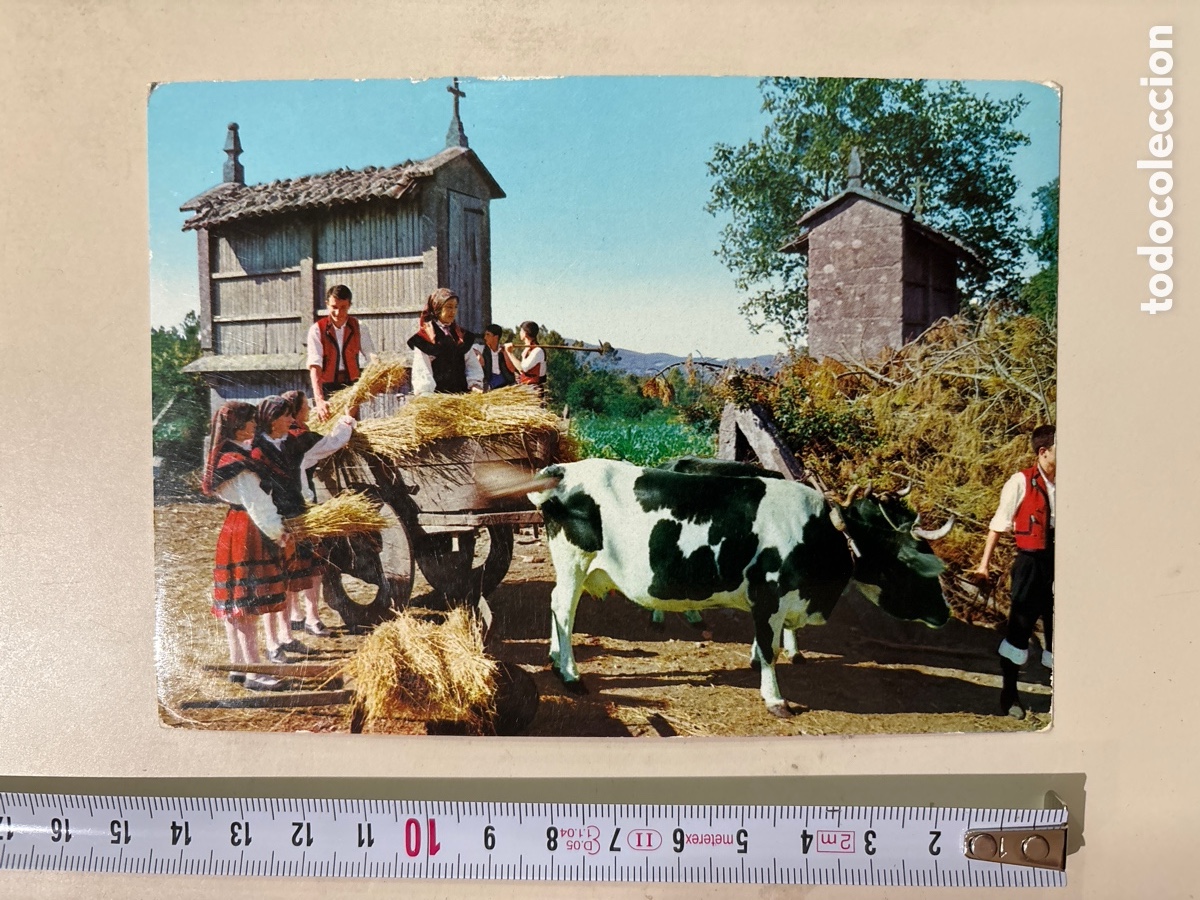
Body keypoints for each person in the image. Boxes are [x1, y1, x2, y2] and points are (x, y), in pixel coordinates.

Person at [252, 395, 356, 659]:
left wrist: (347, 420)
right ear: (273, 419)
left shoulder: (294, 442)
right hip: (268, 521)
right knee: (272, 582)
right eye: (286, 416)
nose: (292, 420)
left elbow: (330, 443)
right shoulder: (255, 448)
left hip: (294, 517)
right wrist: (270, 522)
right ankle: (273, 643)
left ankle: (287, 636)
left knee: (288, 580)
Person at [201, 401, 293, 692]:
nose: (255, 426)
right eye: (251, 422)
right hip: (249, 529)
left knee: (235, 605)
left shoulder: (226, 456)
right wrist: (280, 533)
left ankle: (237, 665)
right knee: (246, 607)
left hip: (234, 526)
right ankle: (255, 672)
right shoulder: (237, 462)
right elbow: (259, 505)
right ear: (238, 426)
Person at [974, 424, 1056, 720]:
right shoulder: (1020, 481)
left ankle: (1059, 700)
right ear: (1043, 452)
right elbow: (998, 524)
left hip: (1062, 564)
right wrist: (984, 565)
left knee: (1061, 632)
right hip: (1030, 565)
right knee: (1019, 630)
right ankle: (1009, 694)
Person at [307, 284, 377, 422]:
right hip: (327, 387)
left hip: (352, 385)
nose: (338, 313)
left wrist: (376, 375)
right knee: (328, 429)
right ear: (327, 304)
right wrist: (320, 401)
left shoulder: (359, 327)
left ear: (350, 305)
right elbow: (315, 367)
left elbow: (371, 355)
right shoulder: (316, 330)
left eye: (343, 307)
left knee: (350, 425)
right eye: (334, 307)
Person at [407, 287, 484, 395]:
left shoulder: (461, 336)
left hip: (462, 398)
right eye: (448, 307)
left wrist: (475, 384)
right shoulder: (425, 338)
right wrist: (426, 395)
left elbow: (471, 364)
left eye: (455, 307)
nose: (453, 311)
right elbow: (422, 371)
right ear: (437, 308)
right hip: (437, 400)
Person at [502, 320, 547, 400]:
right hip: (525, 387)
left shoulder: (537, 351)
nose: (519, 333)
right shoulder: (527, 349)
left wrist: (510, 353)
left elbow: (523, 368)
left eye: (521, 331)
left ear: (525, 333)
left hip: (533, 390)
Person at [477, 324, 516, 391]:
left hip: (504, 380)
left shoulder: (503, 350)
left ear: (496, 337)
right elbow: (471, 349)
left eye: (488, 335)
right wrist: (478, 354)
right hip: (490, 381)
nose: (485, 337)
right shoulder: (481, 349)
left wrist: (505, 352)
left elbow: (512, 369)